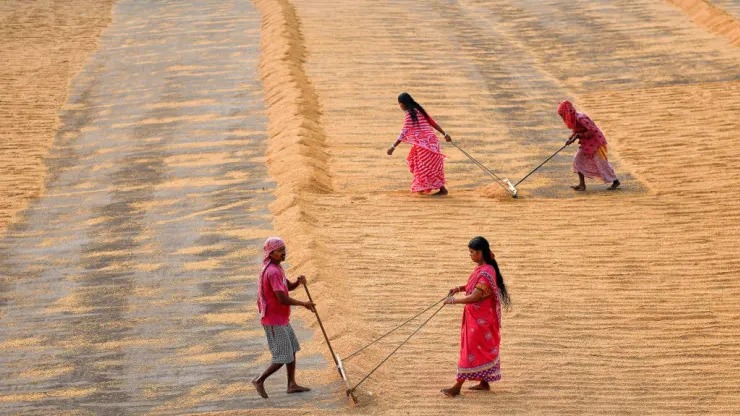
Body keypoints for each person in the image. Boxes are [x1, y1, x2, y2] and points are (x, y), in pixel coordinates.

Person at [442, 236, 511, 397]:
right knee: (478, 348)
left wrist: (453, 301)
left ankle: (457, 387)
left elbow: (475, 297)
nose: (470, 255)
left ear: (480, 253)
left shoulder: (487, 272)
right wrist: (459, 288)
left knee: (470, 350)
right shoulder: (483, 268)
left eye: (472, 252)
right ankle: (484, 383)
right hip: (477, 317)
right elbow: (473, 288)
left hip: (480, 321)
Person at [252, 237, 315, 399]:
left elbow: (287, 287)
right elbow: (282, 298)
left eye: (284, 249)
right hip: (274, 320)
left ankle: (291, 384)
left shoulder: (277, 268)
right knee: (282, 356)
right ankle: (259, 380)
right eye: (279, 251)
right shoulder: (272, 271)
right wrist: (304, 304)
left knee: (292, 349)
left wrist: (298, 283)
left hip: (282, 318)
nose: (283, 253)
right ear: (270, 253)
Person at [387, 92, 452, 195]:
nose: (400, 106)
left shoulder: (409, 115)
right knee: (427, 165)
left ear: (403, 103)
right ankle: (427, 187)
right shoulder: (420, 111)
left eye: (399, 104)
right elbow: (433, 123)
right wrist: (444, 134)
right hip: (432, 142)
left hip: (424, 145)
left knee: (424, 166)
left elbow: (403, 133)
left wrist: (392, 147)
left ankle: (440, 189)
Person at [558, 100, 621, 191]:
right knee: (578, 160)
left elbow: (592, 131)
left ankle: (615, 181)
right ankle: (582, 185)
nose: (562, 117)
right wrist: (571, 138)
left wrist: (578, 136)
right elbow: (577, 131)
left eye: (562, 115)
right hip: (587, 143)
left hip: (596, 142)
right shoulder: (573, 119)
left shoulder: (580, 118)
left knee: (601, 163)